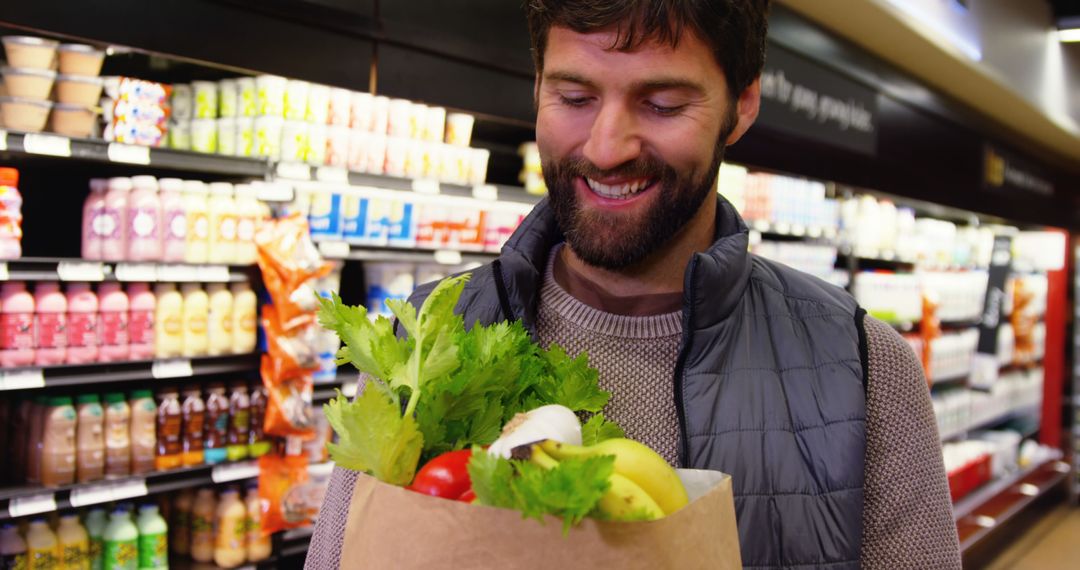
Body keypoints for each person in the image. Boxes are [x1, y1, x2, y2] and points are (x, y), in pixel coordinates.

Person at [306, 1, 961, 568]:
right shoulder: (422, 342)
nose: (607, 145)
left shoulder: (863, 368)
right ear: (537, 86)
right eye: (574, 97)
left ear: (742, 107)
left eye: (662, 103)